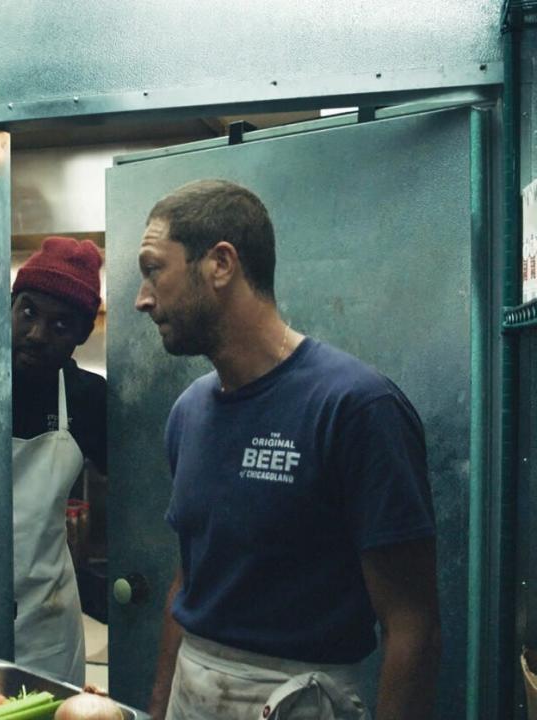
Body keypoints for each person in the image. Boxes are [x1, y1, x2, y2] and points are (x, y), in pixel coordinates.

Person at [134, 180, 441, 720]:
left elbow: (411, 621)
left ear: (220, 264)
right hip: (194, 691)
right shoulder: (188, 412)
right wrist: (159, 706)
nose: (142, 298)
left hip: (301, 701)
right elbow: (188, 579)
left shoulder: (356, 407)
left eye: (154, 268)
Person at [11, 236, 107, 686]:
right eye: (28, 312)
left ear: (82, 335)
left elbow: (138, 503)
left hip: (47, 619)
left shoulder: (89, 399)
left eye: (60, 325)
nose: (36, 334)